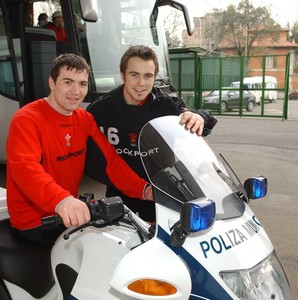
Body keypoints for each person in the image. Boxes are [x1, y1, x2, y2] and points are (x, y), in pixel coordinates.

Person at [6, 53, 153, 243]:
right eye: (68, 82)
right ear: (52, 82)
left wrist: (144, 189)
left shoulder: (84, 119)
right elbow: (25, 169)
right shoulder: (27, 119)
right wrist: (62, 200)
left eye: (82, 84)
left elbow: (111, 162)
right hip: (35, 222)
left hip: (70, 215)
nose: (76, 91)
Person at [86, 45, 217, 223]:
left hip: (161, 197)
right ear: (123, 75)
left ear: (154, 77)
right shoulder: (100, 109)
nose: (141, 83)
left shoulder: (166, 105)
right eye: (134, 75)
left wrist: (198, 117)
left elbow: (203, 120)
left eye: (148, 76)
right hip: (118, 200)